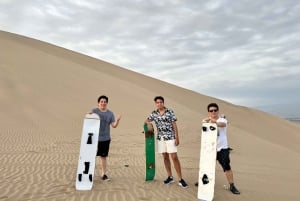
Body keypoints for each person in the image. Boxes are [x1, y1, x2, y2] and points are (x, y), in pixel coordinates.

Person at [196, 103, 240, 194]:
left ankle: (232, 185)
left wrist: (214, 121)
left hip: (222, 148)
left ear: (218, 111)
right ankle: (203, 181)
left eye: (215, 110)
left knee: (226, 167)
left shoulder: (222, 119)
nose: (213, 112)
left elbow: (223, 124)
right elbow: (204, 129)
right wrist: (206, 121)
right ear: (208, 112)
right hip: (210, 148)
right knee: (207, 167)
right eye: (211, 110)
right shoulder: (206, 120)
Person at [145, 96, 188, 188]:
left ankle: (181, 179)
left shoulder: (170, 112)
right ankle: (170, 176)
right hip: (161, 138)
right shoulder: (154, 113)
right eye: (157, 102)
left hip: (170, 137)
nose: (159, 104)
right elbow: (147, 120)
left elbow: (174, 124)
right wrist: (148, 124)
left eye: (161, 102)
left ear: (163, 103)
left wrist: (177, 137)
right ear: (155, 103)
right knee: (165, 157)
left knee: (174, 157)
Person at [91, 95, 121, 181]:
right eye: (101, 101)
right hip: (94, 139)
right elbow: (89, 120)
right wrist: (89, 115)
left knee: (103, 157)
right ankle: (89, 173)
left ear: (107, 103)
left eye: (105, 102)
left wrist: (117, 120)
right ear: (98, 103)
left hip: (105, 138)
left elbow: (114, 126)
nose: (103, 103)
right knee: (91, 156)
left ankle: (103, 174)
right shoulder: (94, 111)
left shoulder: (110, 114)